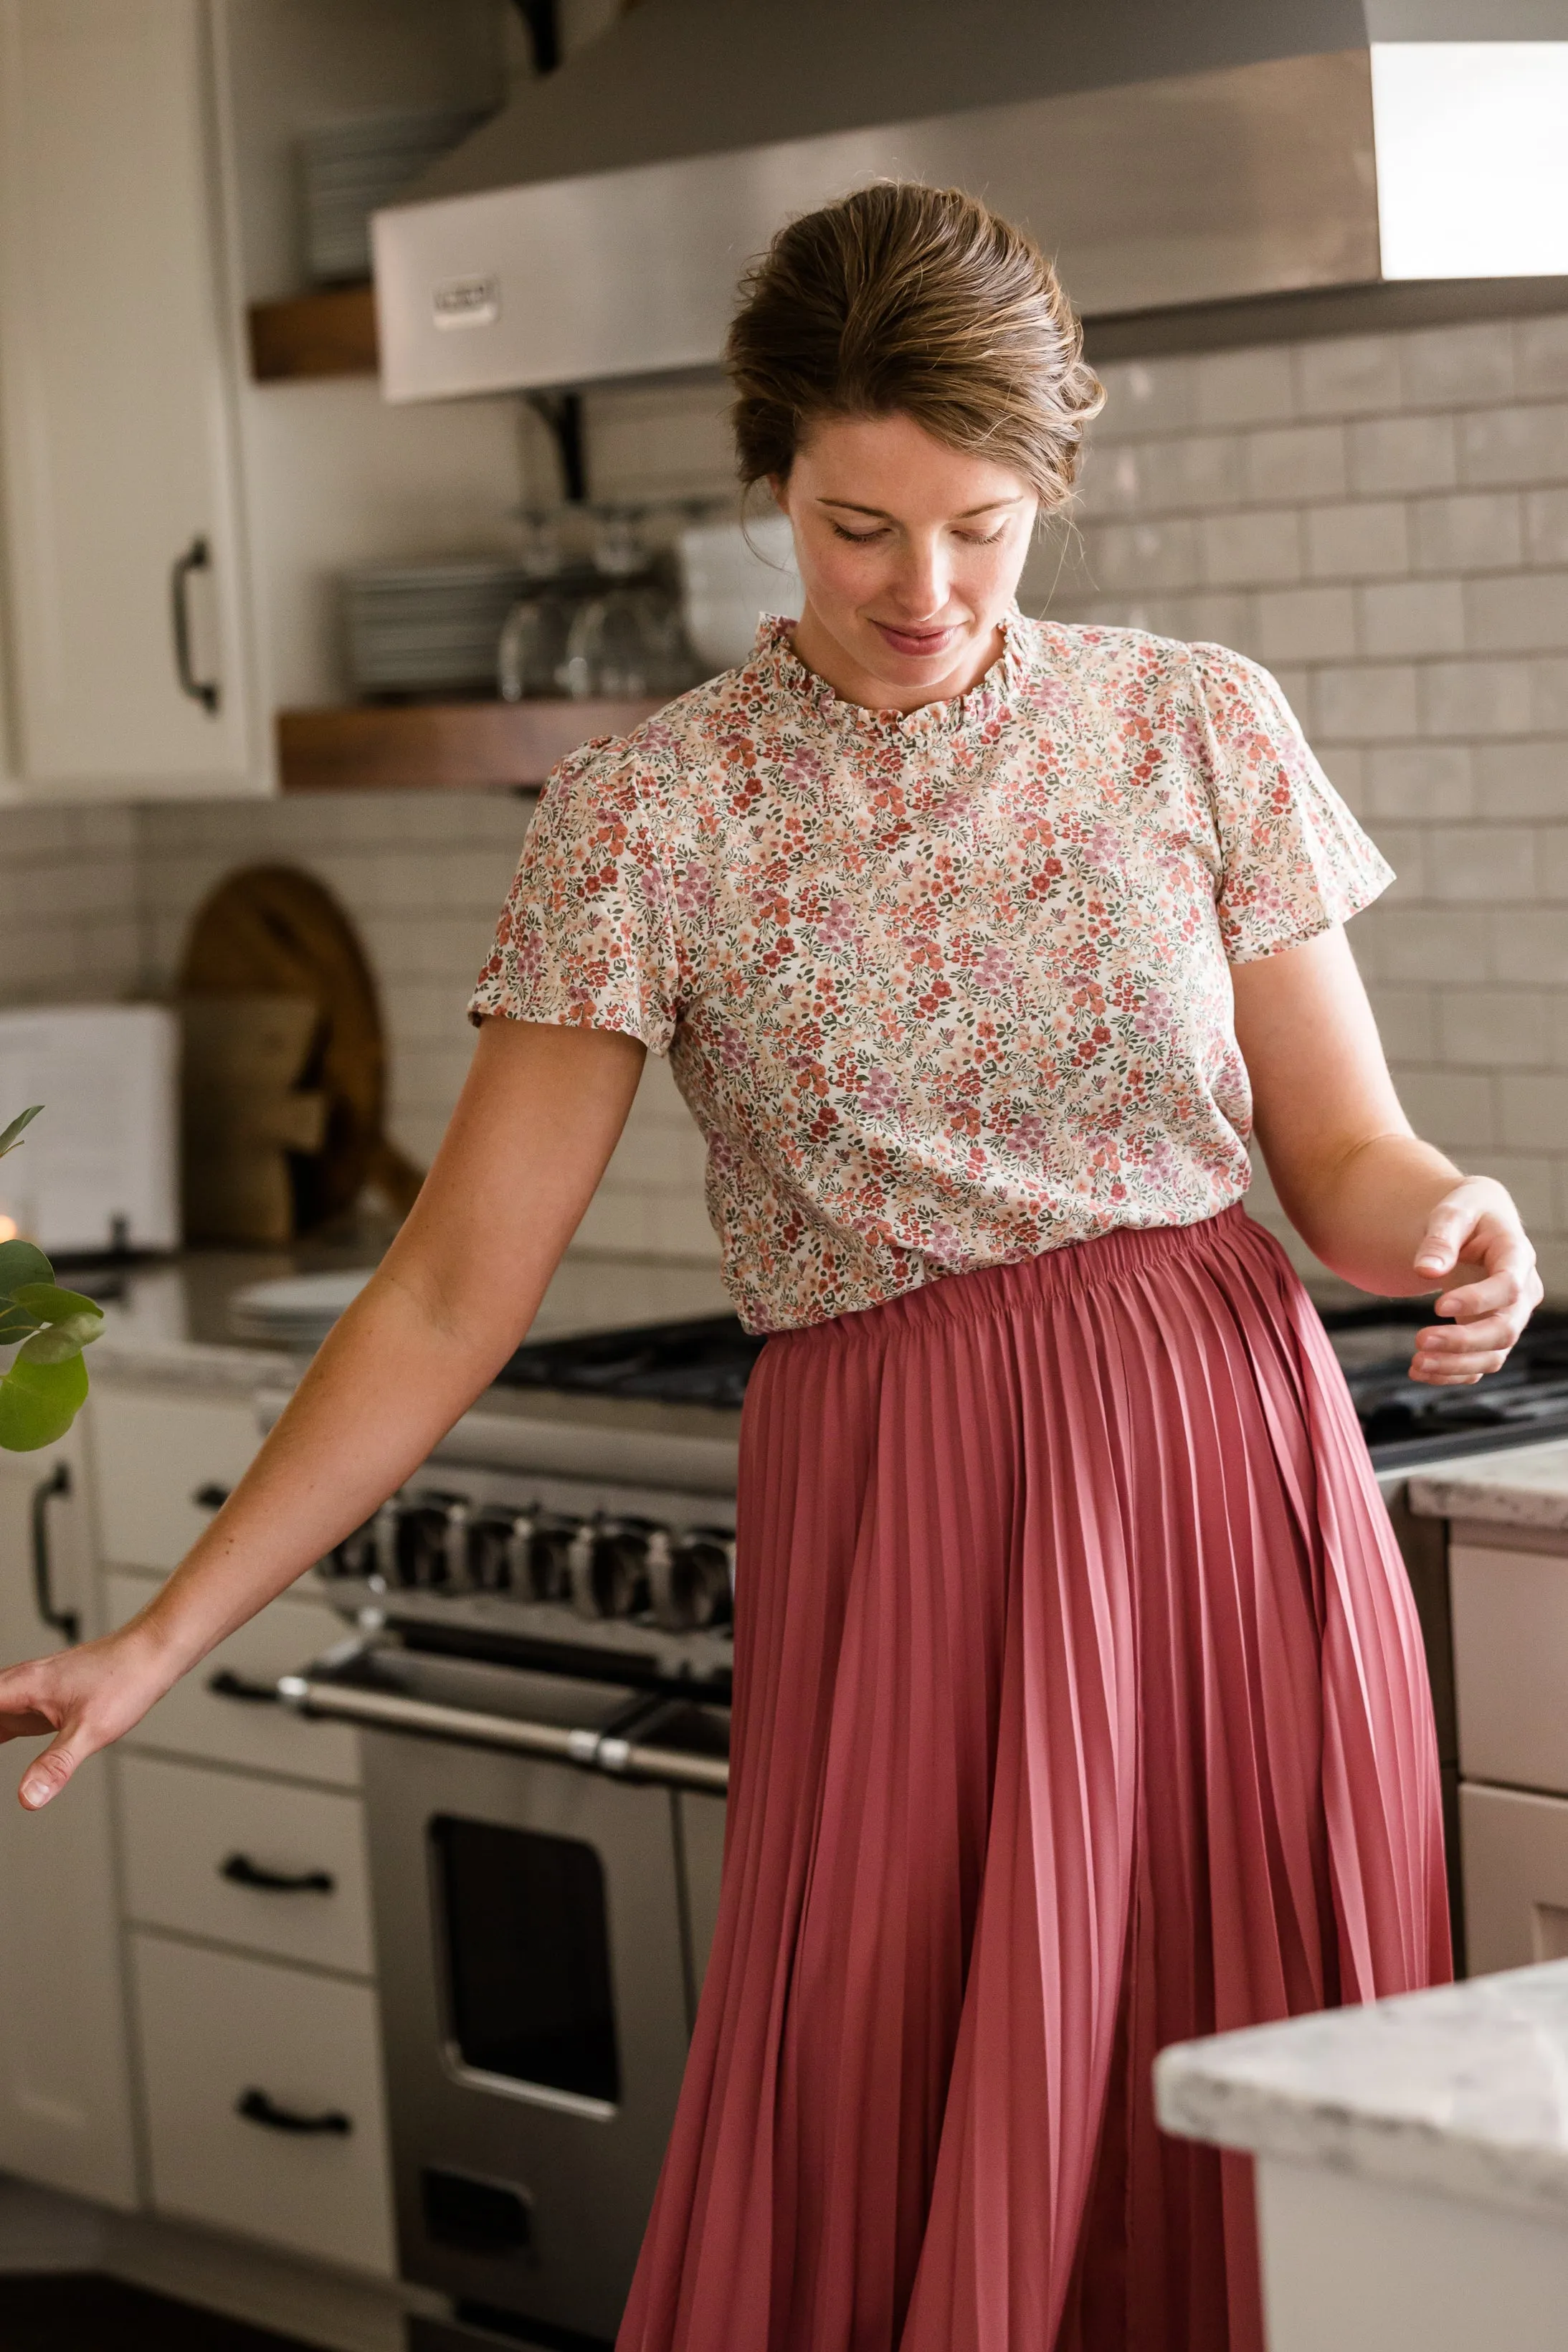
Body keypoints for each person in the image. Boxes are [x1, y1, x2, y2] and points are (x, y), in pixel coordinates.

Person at [0, 184, 1541, 2351]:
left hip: (1222, 1479)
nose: (925, 591)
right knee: (896, 2141)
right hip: (903, 1505)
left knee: (1268, 2136)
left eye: (980, 527)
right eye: (857, 527)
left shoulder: (1197, 723)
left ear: (1052, 490)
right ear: (769, 485)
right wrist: (158, 1638)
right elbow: (452, 1292)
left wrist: (1453, 1213)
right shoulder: (646, 819)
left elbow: (1341, 1156)